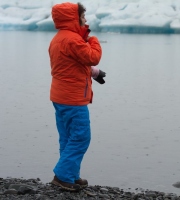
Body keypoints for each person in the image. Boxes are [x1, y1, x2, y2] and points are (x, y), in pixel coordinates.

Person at [48, 2, 106, 191]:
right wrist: (94, 40)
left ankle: (70, 175)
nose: (85, 20)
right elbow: (92, 57)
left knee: (67, 137)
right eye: (82, 16)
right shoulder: (72, 39)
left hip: (60, 96)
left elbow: (73, 65)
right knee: (81, 137)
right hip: (73, 99)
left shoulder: (59, 39)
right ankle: (62, 175)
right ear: (74, 18)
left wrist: (95, 74)